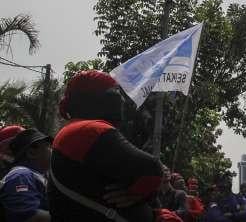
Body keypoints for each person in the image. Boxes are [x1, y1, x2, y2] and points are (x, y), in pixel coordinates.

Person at [48, 70, 165, 222]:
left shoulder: (77, 130)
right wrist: (141, 192)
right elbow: (151, 169)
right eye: (115, 92)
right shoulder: (87, 130)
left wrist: (139, 194)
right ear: (94, 98)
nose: (122, 99)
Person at [0, 128, 52, 222]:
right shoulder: (21, 175)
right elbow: (29, 216)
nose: (52, 150)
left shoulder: (37, 175)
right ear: (32, 153)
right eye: (48, 146)